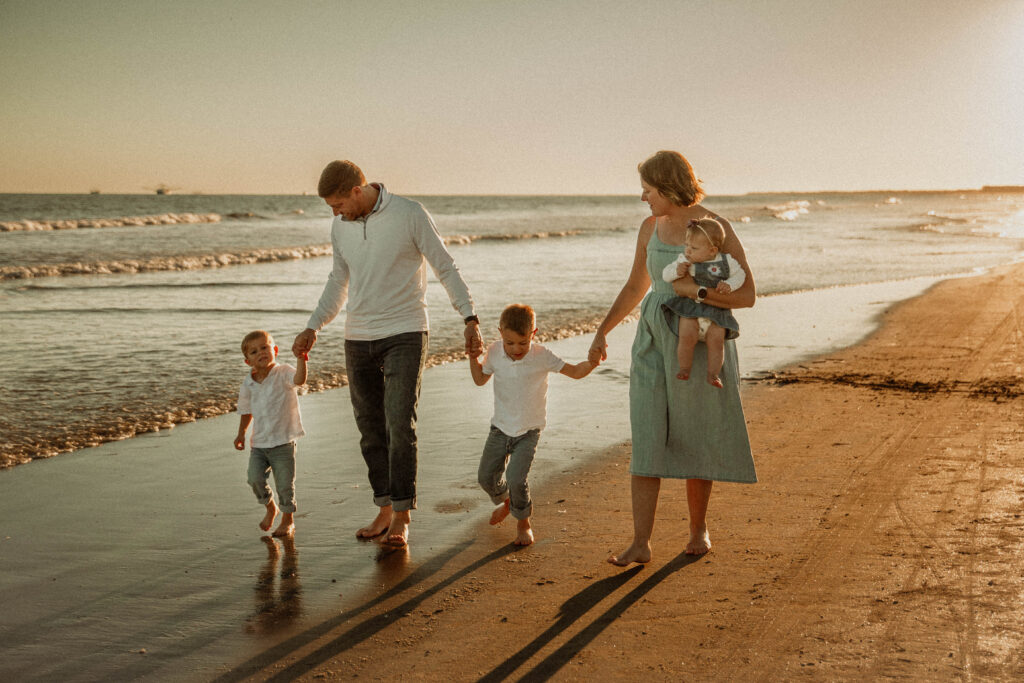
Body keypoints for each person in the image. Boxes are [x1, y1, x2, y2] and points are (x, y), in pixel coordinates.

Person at [292, 160, 482, 548]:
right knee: (370, 430)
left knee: (400, 424)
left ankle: (401, 514)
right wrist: (314, 325)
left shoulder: (409, 214)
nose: (334, 213)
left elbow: (445, 266)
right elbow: (338, 280)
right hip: (357, 335)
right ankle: (383, 507)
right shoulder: (340, 227)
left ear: (357, 191)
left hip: (406, 331)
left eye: (338, 204)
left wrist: (469, 317)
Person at [588, 151, 757, 565]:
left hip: (698, 338)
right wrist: (601, 330)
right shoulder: (649, 228)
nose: (643, 197)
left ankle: (698, 528)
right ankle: (640, 542)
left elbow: (747, 294)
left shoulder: (715, 227)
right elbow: (635, 286)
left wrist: (696, 295)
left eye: (647, 189)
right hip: (652, 336)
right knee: (646, 429)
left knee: (697, 428)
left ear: (666, 186)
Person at [469, 304, 598, 546]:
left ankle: (523, 523)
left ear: (533, 333)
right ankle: (509, 502)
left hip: (528, 432)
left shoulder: (542, 355)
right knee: (486, 478)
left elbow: (576, 372)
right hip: (499, 428)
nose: (516, 349)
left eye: (522, 343)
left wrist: (592, 361)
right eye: (510, 342)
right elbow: (479, 379)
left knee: (517, 478)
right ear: (500, 333)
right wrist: (472, 357)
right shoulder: (495, 352)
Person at [234, 330, 308, 538]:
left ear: (274, 350)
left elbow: (300, 380)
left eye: (265, 347)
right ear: (248, 361)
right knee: (254, 478)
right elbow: (246, 411)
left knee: (285, 484)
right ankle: (270, 506)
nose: (261, 353)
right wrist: (241, 434)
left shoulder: (283, 373)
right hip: (259, 444)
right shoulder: (248, 383)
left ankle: (287, 520)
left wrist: (301, 359)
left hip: (284, 441)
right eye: (255, 351)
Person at [660, 217, 746, 387]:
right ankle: (684, 368)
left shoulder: (727, 261)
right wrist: (677, 271)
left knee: (716, 342)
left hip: (717, 311)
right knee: (686, 336)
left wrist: (729, 285)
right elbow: (666, 275)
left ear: (712, 250)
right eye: (686, 245)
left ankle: (713, 374)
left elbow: (740, 275)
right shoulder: (684, 260)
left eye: (694, 248)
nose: (688, 251)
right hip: (692, 308)